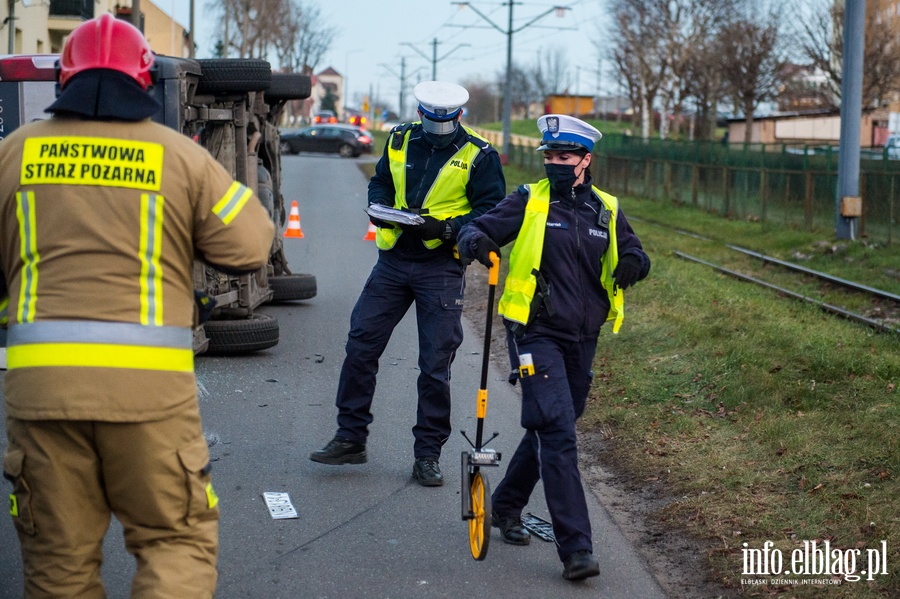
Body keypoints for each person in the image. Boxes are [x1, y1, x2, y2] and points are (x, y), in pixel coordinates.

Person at [0, 15, 275, 598]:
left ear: (63, 82)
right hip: (149, 399)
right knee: (175, 545)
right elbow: (251, 247)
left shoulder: (13, 154)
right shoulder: (180, 158)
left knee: (58, 569)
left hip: (42, 397)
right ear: (145, 80)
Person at [456, 114, 650, 580]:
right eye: (550, 156)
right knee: (560, 431)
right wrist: (475, 241)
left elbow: (636, 252)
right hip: (534, 332)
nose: (555, 164)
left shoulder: (606, 207)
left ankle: (505, 505)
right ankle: (577, 548)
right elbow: (477, 228)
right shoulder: (529, 199)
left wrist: (636, 265)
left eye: (564, 156)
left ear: (586, 160)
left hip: (584, 337)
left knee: (551, 423)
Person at [310, 81, 506, 486]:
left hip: (441, 266)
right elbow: (381, 180)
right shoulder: (399, 139)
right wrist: (380, 209)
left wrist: (449, 227)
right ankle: (350, 437)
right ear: (420, 114)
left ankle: (428, 455)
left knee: (435, 366)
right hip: (394, 260)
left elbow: (491, 213)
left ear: (459, 117)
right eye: (431, 119)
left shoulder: (479, 155)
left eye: (446, 121)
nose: (438, 126)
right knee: (361, 345)